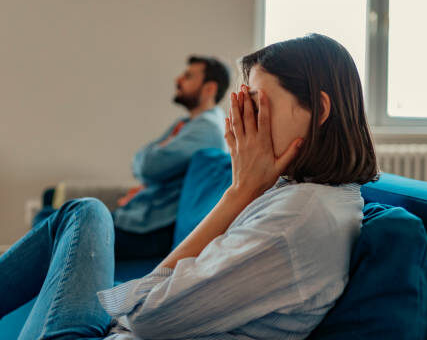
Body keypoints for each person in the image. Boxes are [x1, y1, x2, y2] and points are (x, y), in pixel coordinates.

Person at [0, 34, 378, 339]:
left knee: (84, 213)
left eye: (258, 106)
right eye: (244, 106)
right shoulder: (301, 195)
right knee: (81, 213)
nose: (244, 122)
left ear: (321, 111)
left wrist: (239, 194)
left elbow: (143, 316)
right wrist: (244, 190)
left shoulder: (296, 219)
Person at [35, 55, 231, 260]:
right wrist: (150, 165)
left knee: (48, 219)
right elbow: (141, 161)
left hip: (151, 229)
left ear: (210, 89)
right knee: (51, 210)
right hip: (142, 218)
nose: (178, 80)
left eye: (188, 76)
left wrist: (151, 164)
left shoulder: (207, 129)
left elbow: (147, 166)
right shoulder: (186, 124)